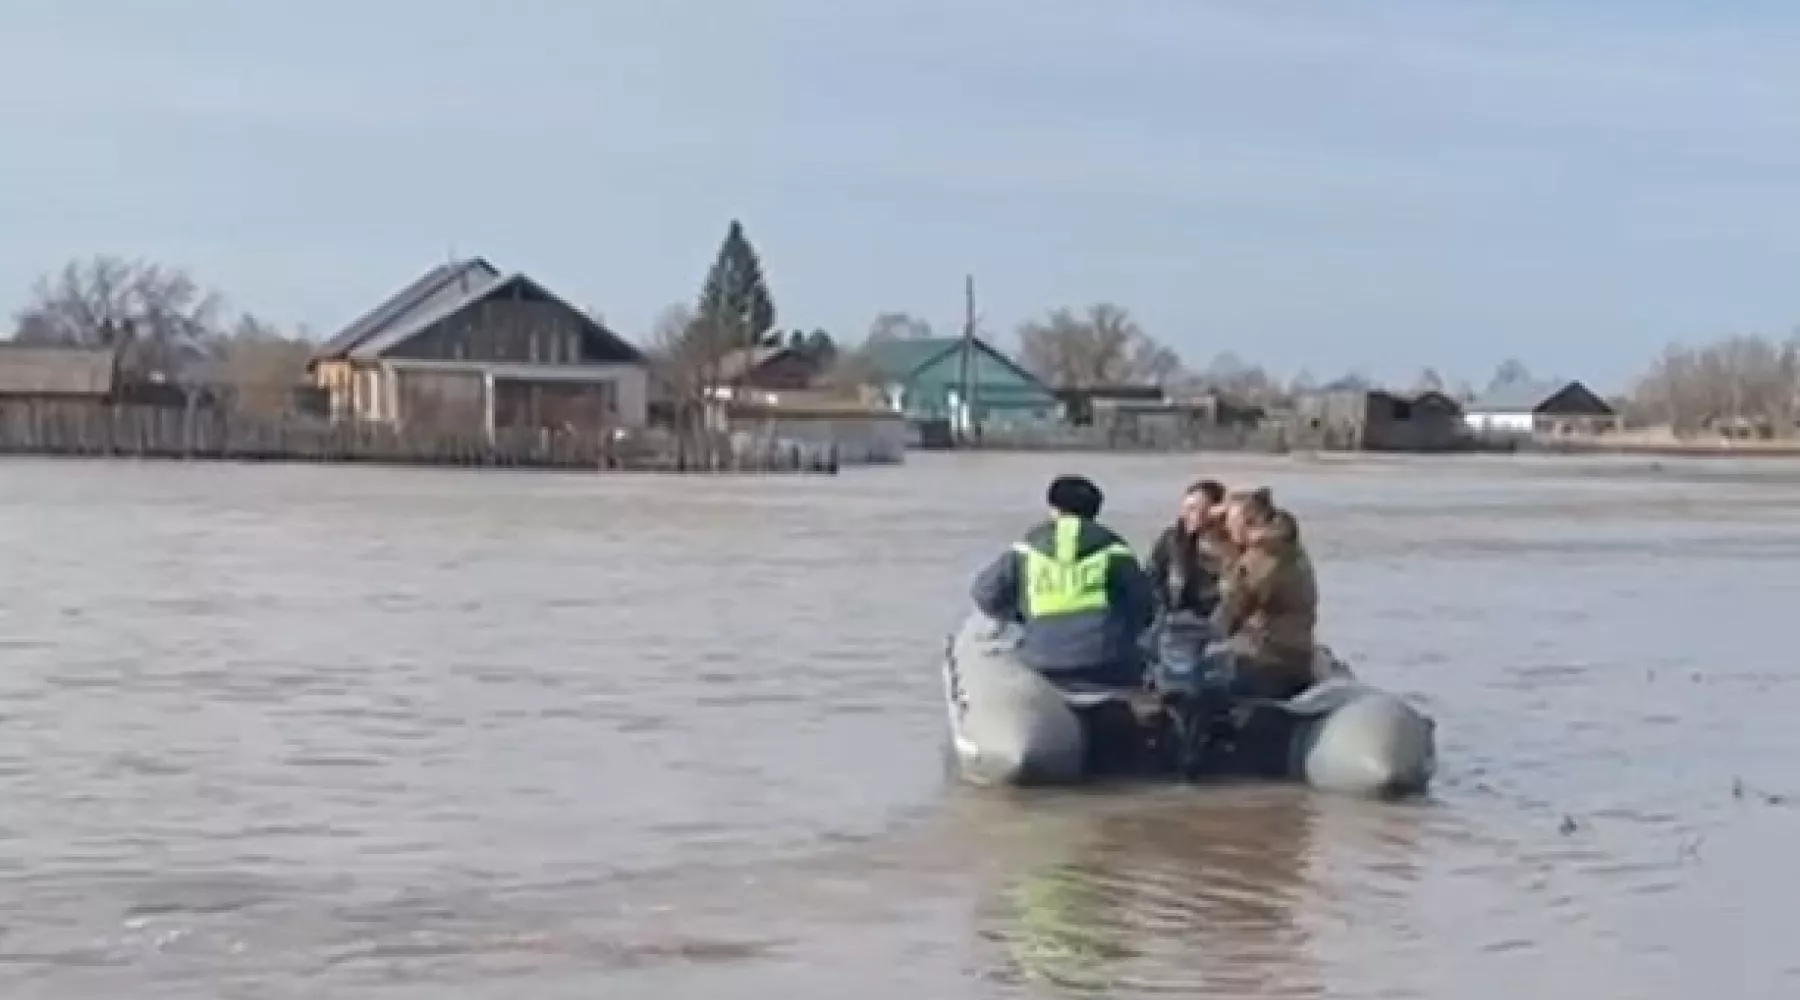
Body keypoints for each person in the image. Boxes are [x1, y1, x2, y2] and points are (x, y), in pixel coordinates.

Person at [970, 474, 1157, 690]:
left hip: (1043, 659)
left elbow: (985, 593)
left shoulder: (1027, 547)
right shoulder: (1114, 549)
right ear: (1095, 511)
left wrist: (1020, 616)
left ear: (1053, 508)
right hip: (1107, 661)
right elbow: (1144, 606)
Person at [1208, 494, 1319, 701]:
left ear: (1247, 522)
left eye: (1230, 522)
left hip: (1267, 659)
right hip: (1296, 655)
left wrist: (1226, 551)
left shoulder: (1262, 557)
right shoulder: (1287, 548)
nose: (1227, 529)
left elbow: (1232, 609)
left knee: (1199, 677)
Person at [1146, 479, 1229, 617]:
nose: (1188, 516)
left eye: (1196, 509)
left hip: (1213, 620)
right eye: (1186, 509)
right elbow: (1152, 578)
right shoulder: (1172, 539)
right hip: (1174, 617)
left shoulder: (1230, 544)